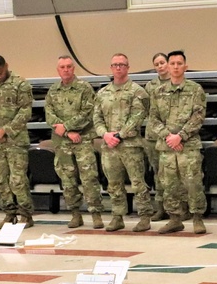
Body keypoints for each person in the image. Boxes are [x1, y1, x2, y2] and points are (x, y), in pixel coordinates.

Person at [149, 50, 207, 234]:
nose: (175, 67)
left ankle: (197, 218)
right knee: (168, 184)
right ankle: (175, 218)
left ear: (185, 66)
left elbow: (198, 116)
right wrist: (169, 136)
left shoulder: (195, 90)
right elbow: (153, 119)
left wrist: (180, 136)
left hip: (187, 146)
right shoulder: (158, 92)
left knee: (193, 182)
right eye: (172, 63)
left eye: (179, 63)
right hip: (167, 147)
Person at [45, 55, 103, 229]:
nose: (66, 69)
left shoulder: (84, 88)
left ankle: (96, 214)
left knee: (89, 178)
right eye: (62, 67)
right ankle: (75, 214)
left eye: (69, 66)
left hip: (82, 139)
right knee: (67, 180)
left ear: (73, 68)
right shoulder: (53, 90)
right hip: (62, 143)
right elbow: (49, 115)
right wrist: (67, 132)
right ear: (58, 70)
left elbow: (88, 112)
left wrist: (68, 127)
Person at [93, 53, 149, 232]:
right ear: (111, 68)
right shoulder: (102, 93)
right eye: (115, 65)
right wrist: (105, 134)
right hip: (109, 146)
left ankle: (144, 216)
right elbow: (97, 118)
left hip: (130, 145)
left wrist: (119, 135)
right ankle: (117, 216)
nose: (118, 68)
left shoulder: (138, 91)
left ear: (128, 67)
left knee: (138, 183)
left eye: (122, 65)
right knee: (113, 183)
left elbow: (137, 117)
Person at [0, 55, 34, 228]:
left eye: (0, 72)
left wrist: (5, 130)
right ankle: (9, 213)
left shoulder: (20, 84)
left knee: (17, 181)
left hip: (16, 142)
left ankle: (26, 214)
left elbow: (25, 111)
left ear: (6, 66)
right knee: (0, 181)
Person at [145, 53, 171, 222]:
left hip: (171, 135)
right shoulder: (150, 86)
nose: (160, 66)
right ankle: (160, 207)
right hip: (154, 136)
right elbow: (147, 109)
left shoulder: (175, 83)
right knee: (158, 174)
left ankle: (177, 207)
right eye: (157, 64)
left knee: (174, 173)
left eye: (163, 62)